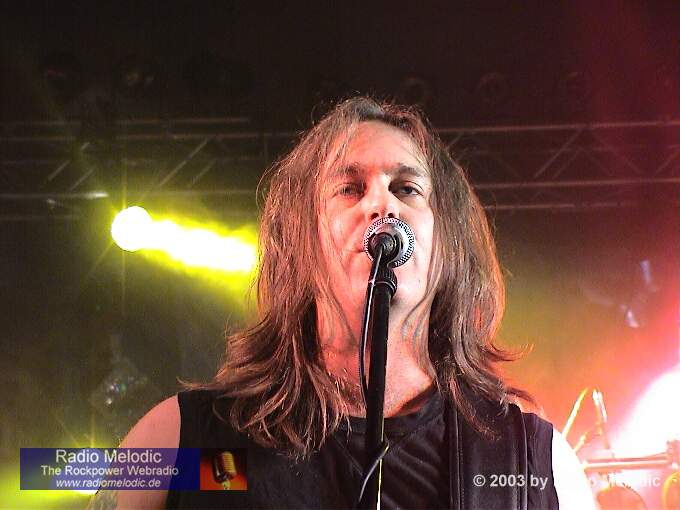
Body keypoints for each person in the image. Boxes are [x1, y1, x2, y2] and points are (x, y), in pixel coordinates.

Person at [90, 97, 596, 509]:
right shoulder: (188, 444)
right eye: (349, 189)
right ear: (301, 244)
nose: (382, 204)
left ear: (447, 246)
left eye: (407, 188)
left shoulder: (530, 464)